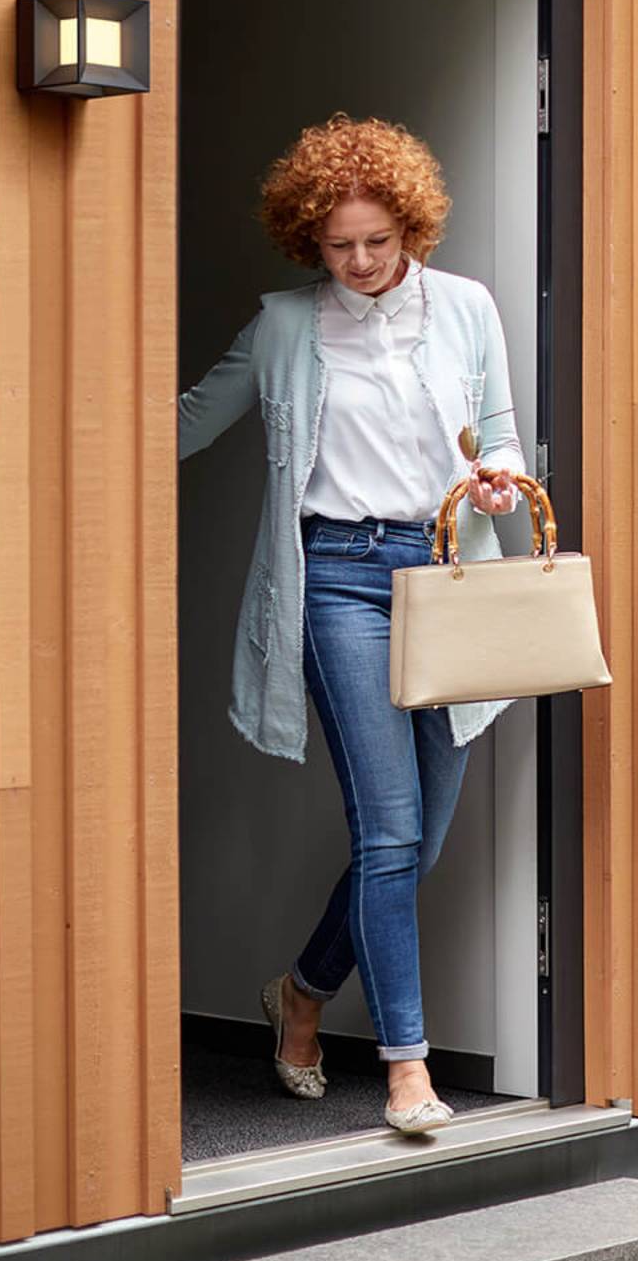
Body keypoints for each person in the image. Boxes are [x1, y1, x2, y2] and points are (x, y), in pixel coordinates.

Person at [179, 114, 524, 1135]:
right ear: (308, 241)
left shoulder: (463, 307)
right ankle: (407, 1067)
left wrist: (503, 484)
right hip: (335, 577)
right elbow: (192, 418)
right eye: (341, 246)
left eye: (380, 240)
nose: (364, 261)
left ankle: (301, 991)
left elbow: (499, 438)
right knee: (388, 827)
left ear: (412, 225)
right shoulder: (287, 323)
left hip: (447, 573)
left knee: (414, 845)